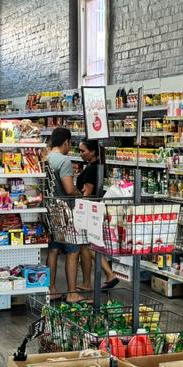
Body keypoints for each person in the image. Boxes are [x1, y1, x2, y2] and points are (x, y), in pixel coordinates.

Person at [45, 127, 83, 302]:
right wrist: (78, 193)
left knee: (53, 250)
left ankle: (51, 289)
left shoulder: (45, 158)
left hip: (48, 210)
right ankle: (72, 293)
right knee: (73, 251)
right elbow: (68, 189)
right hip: (64, 212)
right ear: (66, 142)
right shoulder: (64, 161)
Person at [76, 140, 119, 290]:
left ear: (93, 151)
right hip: (95, 210)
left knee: (87, 246)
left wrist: (78, 210)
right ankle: (89, 282)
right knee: (88, 245)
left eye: (83, 151)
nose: (81, 154)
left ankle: (107, 274)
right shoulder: (99, 166)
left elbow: (87, 193)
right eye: (79, 151)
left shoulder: (91, 169)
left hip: (88, 211)